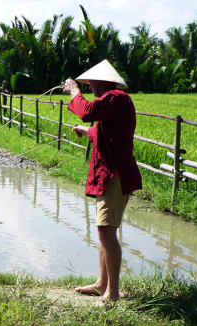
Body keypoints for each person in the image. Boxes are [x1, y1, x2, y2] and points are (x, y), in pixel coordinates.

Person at [62, 59, 142, 307]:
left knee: (106, 231)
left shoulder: (117, 98)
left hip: (113, 175)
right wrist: (87, 132)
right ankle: (101, 284)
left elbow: (87, 112)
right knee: (103, 231)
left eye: (91, 85)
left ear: (101, 82)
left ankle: (113, 293)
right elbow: (106, 131)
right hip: (106, 175)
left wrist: (75, 91)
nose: (90, 89)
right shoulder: (114, 104)